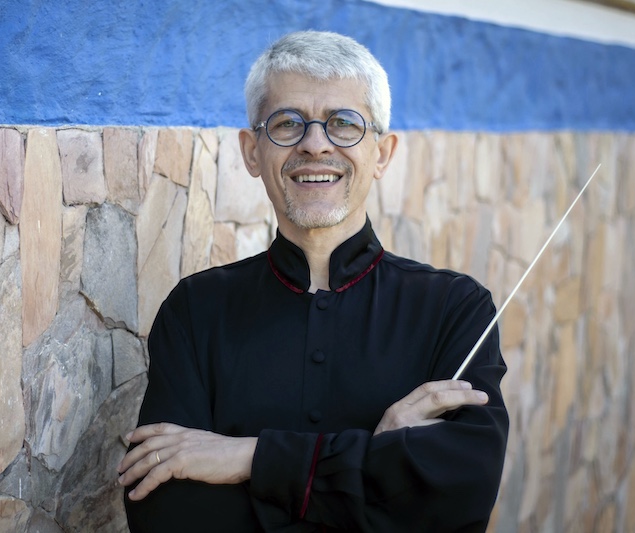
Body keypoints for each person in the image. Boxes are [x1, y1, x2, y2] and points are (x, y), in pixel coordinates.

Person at [118, 30, 508, 532]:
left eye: (344, 123)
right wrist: (377, 462)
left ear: (382, 154)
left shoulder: (454, 309)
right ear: (252, 152)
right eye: (288, 123)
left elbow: (459, 498)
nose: (315, 144)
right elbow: (164, 513)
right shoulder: (195, 310)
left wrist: (248, 458)